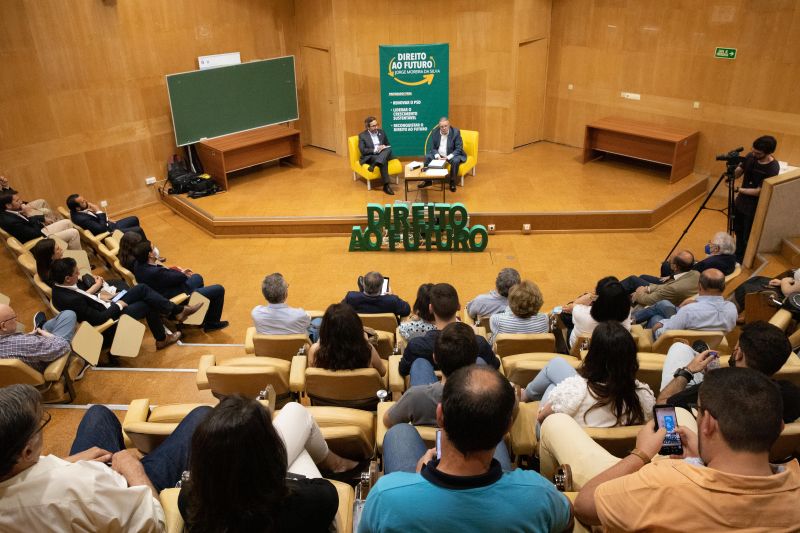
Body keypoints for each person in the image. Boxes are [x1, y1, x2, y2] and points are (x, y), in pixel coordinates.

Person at [573, 367, 800, 530]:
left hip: (645, 482)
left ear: (708, 423)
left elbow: (583, 506)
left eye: (698, 411)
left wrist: (640, 454)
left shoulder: (660, 483)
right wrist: (703, 458)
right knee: (678, 415)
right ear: (780, 426)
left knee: (557, 424)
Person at [360, 365, 573, 532]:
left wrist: (417, 482)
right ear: (507, 428)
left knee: (399, 432)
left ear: (440, 415)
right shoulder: (539, 493)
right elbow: (567, 522)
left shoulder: (386, 496)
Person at [0, 384, 211, 532]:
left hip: (87, 492)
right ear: (26, 453)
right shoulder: (83, 487)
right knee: (202, 416)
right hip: (121, 493)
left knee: (97, 414)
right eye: (40, 424)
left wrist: (67, 461)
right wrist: (133, 469)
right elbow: (155, 524)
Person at [179, 397, 361, 533]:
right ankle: (337, 465)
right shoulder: (313, 500)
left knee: (295, 416)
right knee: (297, 421)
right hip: (293, 516)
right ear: (271, 450)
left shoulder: (188, 499)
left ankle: (337, 464)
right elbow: (324, 495)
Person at [520, 321, 654, 431]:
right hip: (621, 457)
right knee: (557, 369)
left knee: (553, 380)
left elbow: (542, 419)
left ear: (593, 356)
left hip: (567, 455)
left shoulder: (573, 392)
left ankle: (524, 395)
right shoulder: (645, 397)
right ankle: (525, 394)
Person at [657, 321, 800, 423]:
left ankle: (693, 354)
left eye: (736, 347)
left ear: (738, 354)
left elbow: (662, 407)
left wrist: (688, 371)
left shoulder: (713, 388)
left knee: (679, 348)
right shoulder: (790, 395)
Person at [50, 257, 202, 350]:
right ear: (67, 278)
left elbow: (85, 300)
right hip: (109, 316)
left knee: (141, 289)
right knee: (147, 303)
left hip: (105, 303)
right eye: (76, 273)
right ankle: (167, 329)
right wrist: (119, 305)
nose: (79, 274)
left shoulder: (58, 289)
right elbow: (98, 319)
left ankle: (176, 313)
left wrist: (102, 296)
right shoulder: (71, 298)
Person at [399, 283, 500, 376]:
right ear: (458, 307)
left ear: (430, 308)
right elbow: (495, 365)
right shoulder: (479, 343)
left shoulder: (415, 345)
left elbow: (403, 370)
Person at [133, 240, 228, 332]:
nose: (156, 249)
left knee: (197, 277)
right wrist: (182, 272)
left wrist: (180, 273)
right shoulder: (156, 272)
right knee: (219, 289)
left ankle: (199, 314)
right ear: (150, 254)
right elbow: (180, 277)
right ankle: (212, 323)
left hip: (162, 290)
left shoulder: (138, 265)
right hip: (176, 294)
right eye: (153, 247)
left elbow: (169, 276)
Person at [620, 232, 737, 294]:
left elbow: (691, 275)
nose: (708, 245)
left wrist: (671, 277)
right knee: (664, 266)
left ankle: (607, 294)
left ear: (716, 249)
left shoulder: (709, 263)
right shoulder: (730, 259)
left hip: (676, 287)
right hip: (686, 283)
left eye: (710, 244)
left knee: (633, 279)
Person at [645, 268, 738, 339]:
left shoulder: (689, 310)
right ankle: (634, 319)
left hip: (677, 346)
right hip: (709, 346)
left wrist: (660, 324)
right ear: (723, 288)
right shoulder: (732, 309)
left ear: (700, 286)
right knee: (664, 304)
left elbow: (663, 334)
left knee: (655, 318)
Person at [733, 135, 780, 262]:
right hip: (740, 203)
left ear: (769, 152)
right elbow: (740, 170)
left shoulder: (772, 168)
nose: (754, 154)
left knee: (747, 236)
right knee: (737, 229)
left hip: (754, 208)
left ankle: (745, 259)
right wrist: (733, 172)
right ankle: (738, 254)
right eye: (753, 150)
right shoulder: (750, 156)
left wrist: (738, 190)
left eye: (758, 153)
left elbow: (759, 192)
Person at [308, 303, 386, 377]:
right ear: (355, 327)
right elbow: (382, 372)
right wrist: (365, 341)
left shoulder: (314, 350)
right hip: (360, 390)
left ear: (325, 328)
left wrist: (320, 342)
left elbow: (313, 376)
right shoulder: (367, 349)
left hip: (327, 390)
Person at [0, 303, 77, 373]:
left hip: (17, 379)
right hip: (50, 361)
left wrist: (27, 337)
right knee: (69, 314)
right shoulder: (25, 342)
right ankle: (42, 328)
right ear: (3, 326)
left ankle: (42, 327)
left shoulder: (23, 341)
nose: (16, 319)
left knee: (47, 326)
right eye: (14, 317)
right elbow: (63, 345)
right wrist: (46, 334)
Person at [562, 276, 631, 349]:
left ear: (598, 298)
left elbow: (571, 306)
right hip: (609, 352)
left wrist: (590, 296)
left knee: (565, 315)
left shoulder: (582, 312)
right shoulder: (626, 313)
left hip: (579, 350)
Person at [630, 250, 700, 320]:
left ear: (675, 267)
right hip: (669, 290)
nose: (668, 262)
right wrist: (648, 288)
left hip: (665, 301)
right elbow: (667, 286)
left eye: (670, 261)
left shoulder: (674, 288)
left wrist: (639, 292)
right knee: (643, 277)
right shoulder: (696, 274)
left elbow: (649, 300)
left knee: (632, 280)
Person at [0, 192, 81, 250]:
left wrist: (42, 218)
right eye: (17, 201)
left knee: (67, 222)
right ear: (8, 205)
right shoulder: (11, 221)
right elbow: (36, 234)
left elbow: (27, 221)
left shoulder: (9, 213)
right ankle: (78, 263)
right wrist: (28, 213)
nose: (21, 202)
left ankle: (72, 255)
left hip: (39, 232)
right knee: (73, 233)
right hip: (38, 242)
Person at [252, 272, 315, 338]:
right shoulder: (299, 314)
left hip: (268, 347)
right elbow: (307, 323)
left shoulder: (256, 313)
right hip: (295, 348)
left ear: (264, 295)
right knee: (318, 321)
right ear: (285, 294)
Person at [66, 193, 146, 238]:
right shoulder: (82, 219)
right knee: (138, 230)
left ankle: (136, 242)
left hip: (108, 225)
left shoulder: (76, 212)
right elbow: (102, 229)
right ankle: (146, 251)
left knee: (134, 219)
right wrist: (98, 211)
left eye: (84, 200)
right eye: (83, 202)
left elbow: (94, 220)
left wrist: (107, 219)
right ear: (78, 208)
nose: (86, 202)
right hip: (109, 233)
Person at [420, 117, 466, 193]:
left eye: (446, 126)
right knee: (428, 156)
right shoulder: (434, 132)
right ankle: (427, 181)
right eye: (442, 126)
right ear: (439, 126)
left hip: (451, 154)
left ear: (449, 125)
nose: (444, 128)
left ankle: (452, 182)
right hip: (439, 155)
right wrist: (437, 156)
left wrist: (447, 157)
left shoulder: (455, 132)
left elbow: (458, 149)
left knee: (456, 160)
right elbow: (433, 147)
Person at [342, 271, 410, 318]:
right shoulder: (392, 300)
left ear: (363, 285)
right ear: (381, 287)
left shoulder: (351, 297)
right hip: (387, 330)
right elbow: (407, 310)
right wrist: (391, 296)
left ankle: (362, 292)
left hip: (360, 329)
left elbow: (341, 311)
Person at [358, 116, 395, 195]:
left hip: (383, 153)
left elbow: (388, 144)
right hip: (372, 155)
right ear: (368, 127)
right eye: (373, 126)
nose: (376, 127)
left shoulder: (382, 132)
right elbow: (362, 150)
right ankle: (386, 186)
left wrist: (383, 147)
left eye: (377, 125)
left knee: (389, 149)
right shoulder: (362, 136)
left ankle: (375, 164)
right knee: (383, 160)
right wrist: (375, 149)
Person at [734, 268, 800, 312]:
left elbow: (788, 293)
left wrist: (783, 281)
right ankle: (746, 311)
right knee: (757, 279)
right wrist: (781, 282)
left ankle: (741, 312)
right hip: (786, 287)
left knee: (750, 288)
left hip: (786, 300)